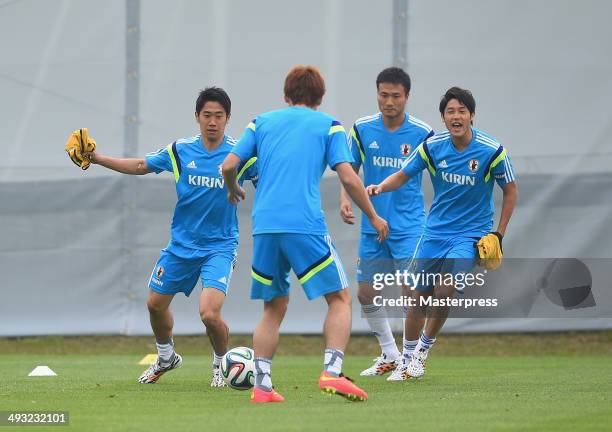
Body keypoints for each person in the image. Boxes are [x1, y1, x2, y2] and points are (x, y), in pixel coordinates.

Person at [222, 65, 388, 403]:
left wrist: (233, 187)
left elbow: (227, 165)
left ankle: (263, 387)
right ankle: (332, 371)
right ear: (320, 97)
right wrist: (373, 214)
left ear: (286, 96)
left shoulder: (261, 122)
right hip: (304, 225)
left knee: (273, 307)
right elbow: (348, 176)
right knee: (339, 298)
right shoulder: (329, 126)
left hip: (266, 226)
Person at [82, 87, 257, 386]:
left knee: (209, 314)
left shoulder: (239, 154)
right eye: (207, 115)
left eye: (218, 116)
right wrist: (96, 158)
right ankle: (166, 357)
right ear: (197, 117)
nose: (212, 121)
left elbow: (267, 182)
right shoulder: (180, 150)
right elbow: (141, 165)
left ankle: (221, 365)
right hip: (181, 246)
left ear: (228, 118)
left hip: (219, 246)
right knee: (154, 304)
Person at [367, 87, 517, 380]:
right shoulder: (433, 147)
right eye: (450, 111)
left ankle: (421, 354)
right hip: (434, 233)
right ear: (444, 118)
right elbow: (403, 174)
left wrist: (498, 234)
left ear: (472, 115)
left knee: (445, 289)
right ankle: (406, 359)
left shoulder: (492, 150)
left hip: (470, 235)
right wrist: (380, 187)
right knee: (419, 298)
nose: (456, 116)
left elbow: (510, 190)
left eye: (462, 110)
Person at [339, 67, 433, 377]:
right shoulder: (363, 129)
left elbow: (440, 174)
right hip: (372, 224)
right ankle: (389, 353)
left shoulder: (423, 132)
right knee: (366, 293)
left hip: (409, 227)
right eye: (383, 95)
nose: (389, 101)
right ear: (377, 94)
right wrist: (344, 199)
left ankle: (411, 359)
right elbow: (348, 169)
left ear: (407, 97)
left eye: (396, 96)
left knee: (412, 293)